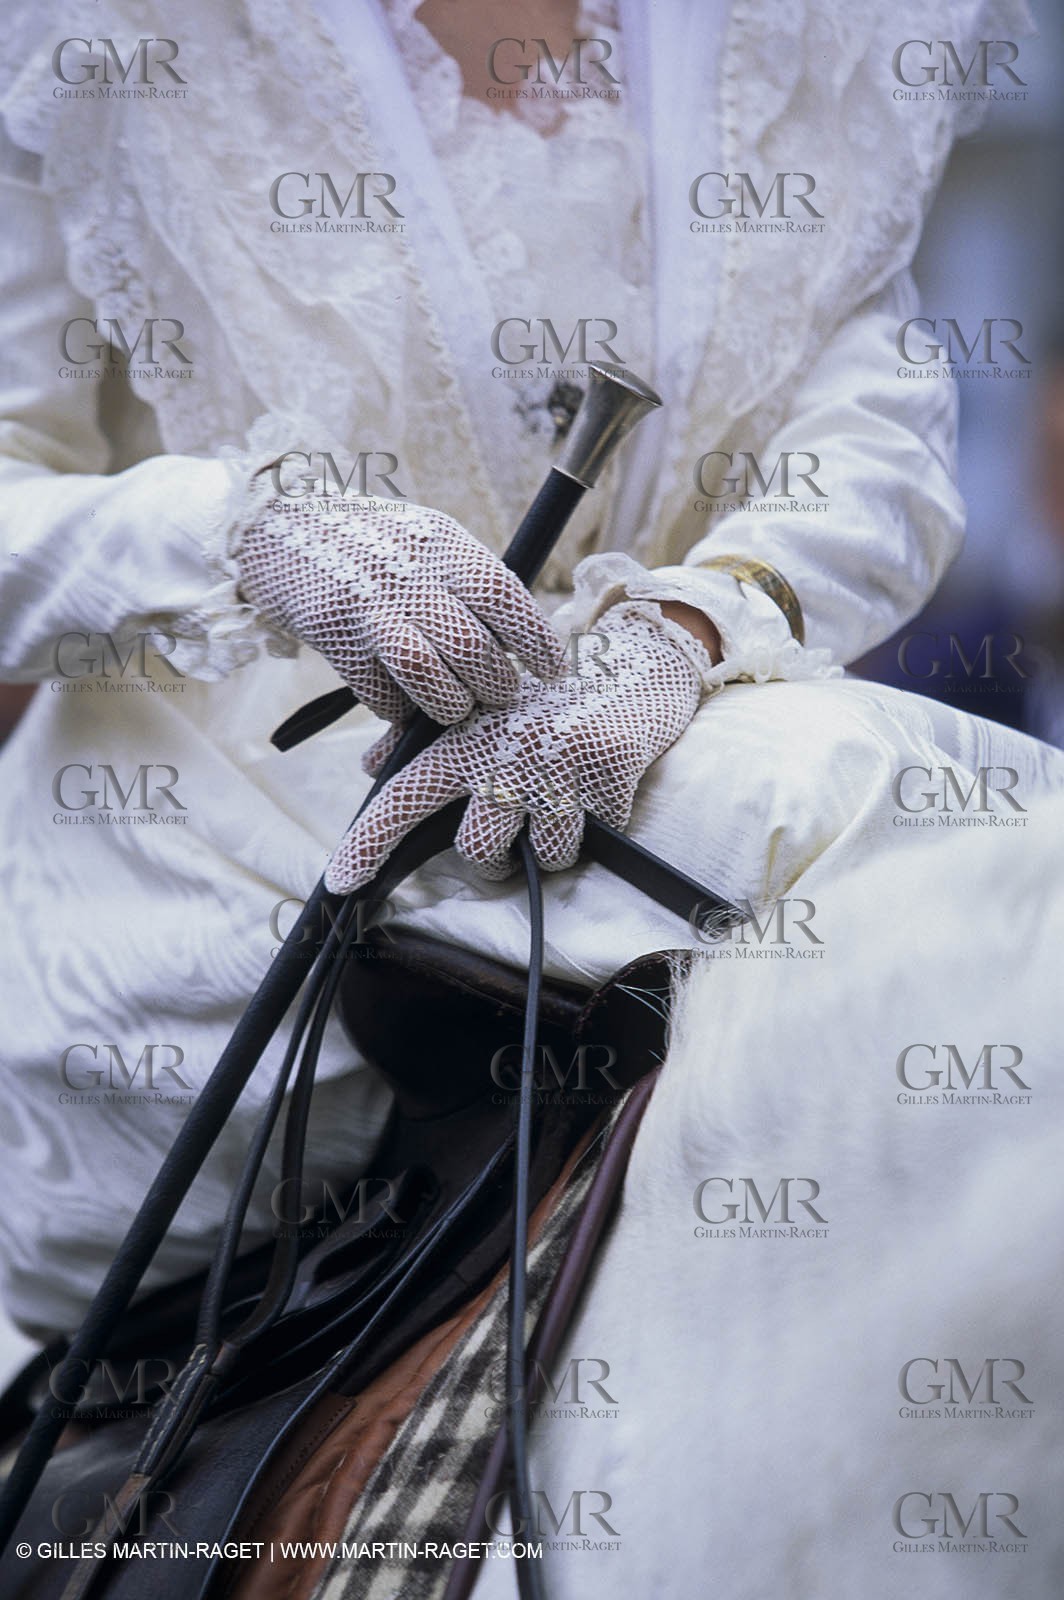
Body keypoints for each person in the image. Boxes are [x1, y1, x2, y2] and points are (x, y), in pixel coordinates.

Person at [0, 0, 1056, 1360]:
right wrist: (247, 539)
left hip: (686, 733)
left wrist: (686, 627)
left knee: (989, 869)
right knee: (903, 844)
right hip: (226, 854)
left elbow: (872, 433)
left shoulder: (818, 28)